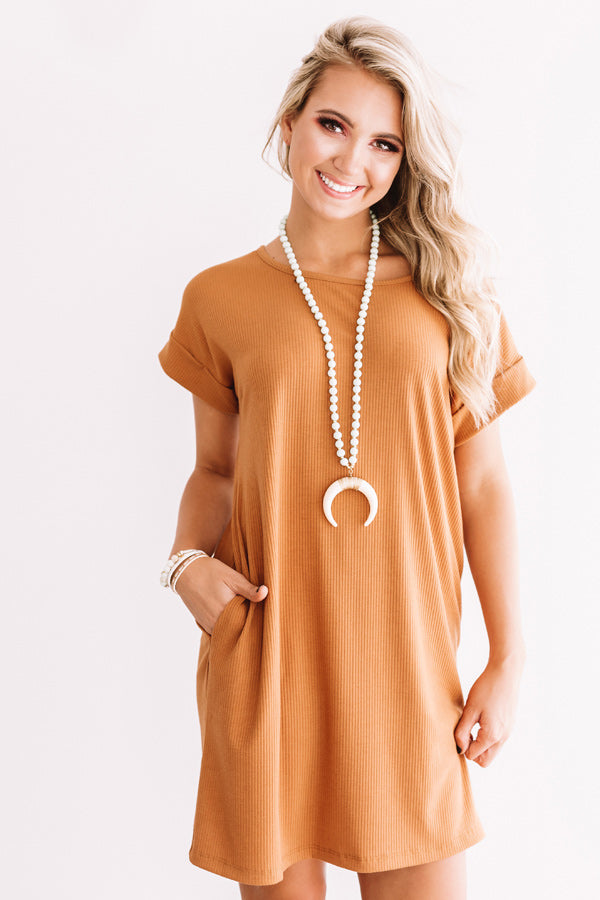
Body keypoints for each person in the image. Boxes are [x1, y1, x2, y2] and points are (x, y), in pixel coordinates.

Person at [157, 15, 536, 900]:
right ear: (290, 122)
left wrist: (508, 658)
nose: (350, 159)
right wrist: (185, 565)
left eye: (384, 144)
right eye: (333, 124)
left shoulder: (451, 296)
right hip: (268, 658)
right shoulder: (218, 297)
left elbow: (483, 483)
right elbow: (215, 470)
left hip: (408, 668)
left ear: (404, 161)